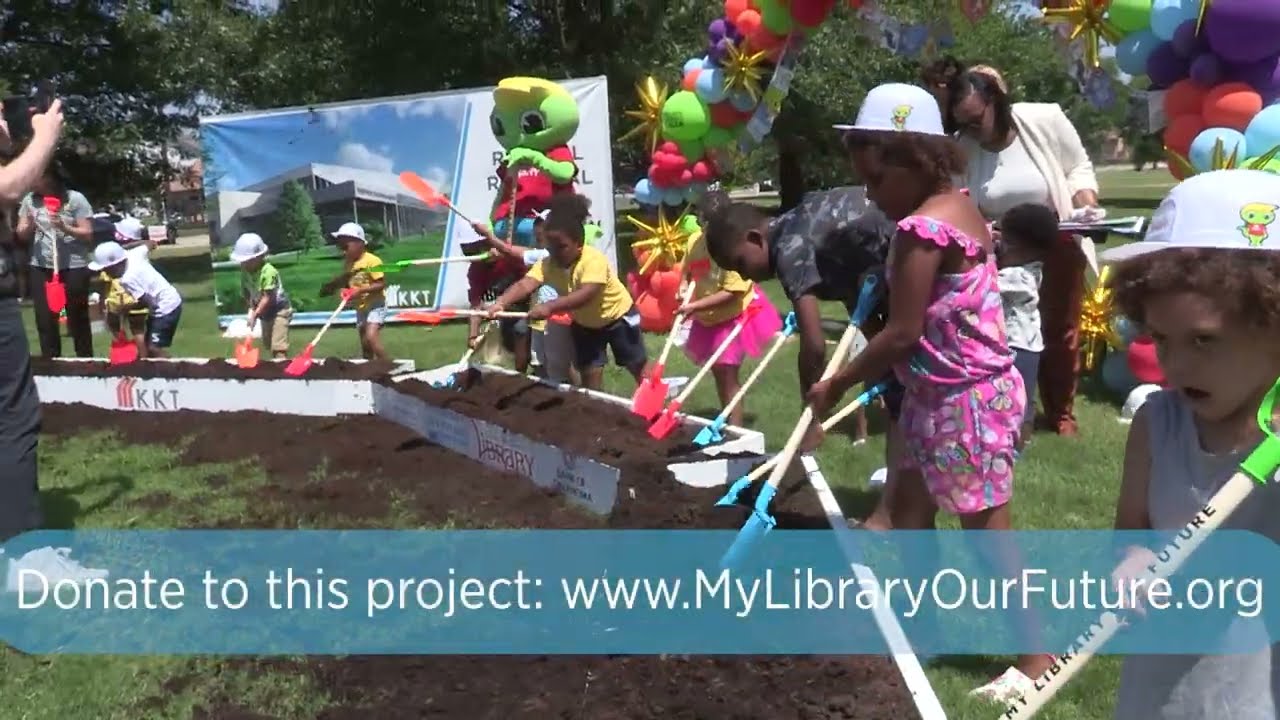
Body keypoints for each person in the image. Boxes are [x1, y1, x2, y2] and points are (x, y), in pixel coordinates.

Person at [798, 82, 1053, 695]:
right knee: (909, 515)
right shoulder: (961, 206)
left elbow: (905, 332)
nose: (869, 196)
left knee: (988, 534)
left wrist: (834, 382)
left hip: (964, 399)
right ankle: (922, 630)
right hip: (938, 395)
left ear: (913, 157)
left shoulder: (920, 229)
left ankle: (1038, 658)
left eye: (876, 181)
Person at [1101, 168, 1280, 719]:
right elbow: (1131, 529)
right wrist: (1132, 562)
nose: (1175, 366)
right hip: (1164, 690)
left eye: (1204, 340)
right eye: (1161, 339)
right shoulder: (1159, 424)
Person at [697, 180, 900, 527]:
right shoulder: (797, 226)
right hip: (890, 270)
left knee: (908, 402)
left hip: (910, 258)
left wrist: (812, 411)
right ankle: (896, 506)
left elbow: (815, 344)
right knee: (900, 397)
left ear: (755, 239)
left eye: (741, 265)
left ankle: (895, 512)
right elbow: (856, 284)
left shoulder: (788, 249)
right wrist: (883, 361)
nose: (747, 276)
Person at [927, 59, 1101, 437]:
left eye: (976, 119)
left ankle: (1060, 413)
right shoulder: (963, 148)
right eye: (963, 124)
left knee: (1060, 331)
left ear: (996, 101)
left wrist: (1084, 197)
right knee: (1003, 334)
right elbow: (959, 200)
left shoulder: (1044, 119)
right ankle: (1006, 409)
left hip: (1056, 241)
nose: (972, 131)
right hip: (1002, 253)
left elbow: (1078, 166)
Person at [486, 193, 647, 391]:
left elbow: (586, 294)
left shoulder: (593, 260)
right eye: (550, 246)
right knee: (589, 369)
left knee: (635, 362)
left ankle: (653, 396)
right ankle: (595, 405)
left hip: (618, 318)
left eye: (561, 246)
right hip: (586, 325)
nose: (555, 252)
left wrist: (550, 307)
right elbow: (525, 285)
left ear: (579, 244)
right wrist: (501, 302)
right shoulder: (548, 264)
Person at [677, 225, 783, 428]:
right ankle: (726, 418)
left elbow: (733, 291)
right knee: (718, 372)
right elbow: (688, 271)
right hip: (707, 318)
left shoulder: (730, 247)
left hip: (734, 316)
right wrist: (682, 287)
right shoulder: (695, 241)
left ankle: (736, 430)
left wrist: (694, 306)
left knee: (728, 375)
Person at [474, 210, 578, 385]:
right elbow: (520, 273)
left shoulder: (549, 255)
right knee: (541, 363)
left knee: (565, 364)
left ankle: (582, 395)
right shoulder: (542, 254)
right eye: (537, 232)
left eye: (543, 230)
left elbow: (510, 251)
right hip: (540, 318)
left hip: (559, 319)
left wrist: (489, 236)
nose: (539, 234)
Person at [14, 163, 96, 358]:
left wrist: (64, 227)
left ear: (49, 178)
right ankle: (51, 361)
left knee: (77, 316)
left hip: (73, 265)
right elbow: (21, 234)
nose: (31, 182)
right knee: (45, 318)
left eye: (35, 177)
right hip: (41, 266)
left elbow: (88, 234)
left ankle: (85, 360)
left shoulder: (75, 199)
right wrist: (29, 225)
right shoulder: (30, 201)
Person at [995, 202, 1059, 451]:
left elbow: (984, 286)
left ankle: (1016, 445)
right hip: (1027, 345)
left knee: (1017, 401)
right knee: (1024, 399)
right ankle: (1020, 441)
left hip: (1017, 347)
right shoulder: (1031, 269)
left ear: (1015, 245)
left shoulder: (1018, 277)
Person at [88, 240, 182, 358]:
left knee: (153, 348)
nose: (104, 272)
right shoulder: (134, 254)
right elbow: (150, 243)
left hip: (166, 307)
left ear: (116, 264)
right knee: (147, 348)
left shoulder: (128, 279)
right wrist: (123, 248)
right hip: (166, 301)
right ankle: (151, 370)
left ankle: (177, 370)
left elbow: (146, 302)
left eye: (106, 269)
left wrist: (122, 310)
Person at [465, 222, 534, 375]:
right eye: (467, 252)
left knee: (521, 330)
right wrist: (473, 337)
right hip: (504, 311)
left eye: (474, 249)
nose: (472, 255)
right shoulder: (475, 271)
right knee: (509, 346)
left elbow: (534, 273)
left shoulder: (512, 259)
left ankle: (520, 375)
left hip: (531, 307)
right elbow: (476, 305)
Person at [321, 222, 388, 362]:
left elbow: (381, 284)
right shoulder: (349, 263)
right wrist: (342, 290)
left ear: (360, 244)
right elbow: (348, 280)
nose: (343, 251)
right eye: (341, 248)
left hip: (375, 304)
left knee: (371, 337)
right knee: (364, 342)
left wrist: (360, 290)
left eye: (346, 247)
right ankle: (368, 366)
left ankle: (387, 365)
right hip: (361, 306)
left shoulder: (373, 261)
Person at [230, 232, 293, 359]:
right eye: (242, 262)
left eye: (247, 261)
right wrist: (251, 308)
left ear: (260, 257)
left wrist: (255, 313)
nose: (244, 264)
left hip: (279, 310)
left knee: (278, 346)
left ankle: (281, 368)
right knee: (268, 343)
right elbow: (246, 292)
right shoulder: (245, 273)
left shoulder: (269, 272)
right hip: (265, 312)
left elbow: (268, 297)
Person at [97, 218, 152, 353]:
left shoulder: (112, 254)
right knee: (138, 330)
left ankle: (124, 352)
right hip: (137, 297)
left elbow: (104, 283)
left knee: (116, 329)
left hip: (115, 301)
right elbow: (150, 243)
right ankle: (144, 358)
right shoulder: (140, 252)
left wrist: (101, 303)